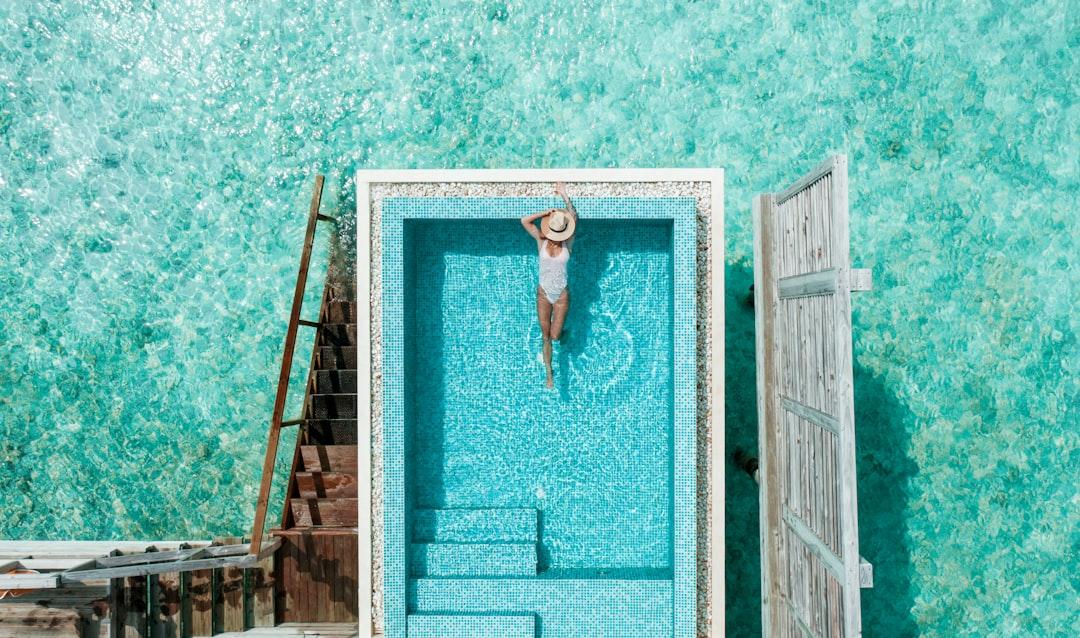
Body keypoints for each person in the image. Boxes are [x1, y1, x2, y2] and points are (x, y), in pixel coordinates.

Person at [520, 182, 577, 388]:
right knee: (546, 337)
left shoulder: (567, 243)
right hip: (544, 293)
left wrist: (564, 195)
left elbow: (574, 218)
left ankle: (564, 333)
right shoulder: (541, 240)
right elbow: (524, 221)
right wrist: (547, 212)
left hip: (561, 296)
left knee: (555, 335)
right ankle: (549, 375)